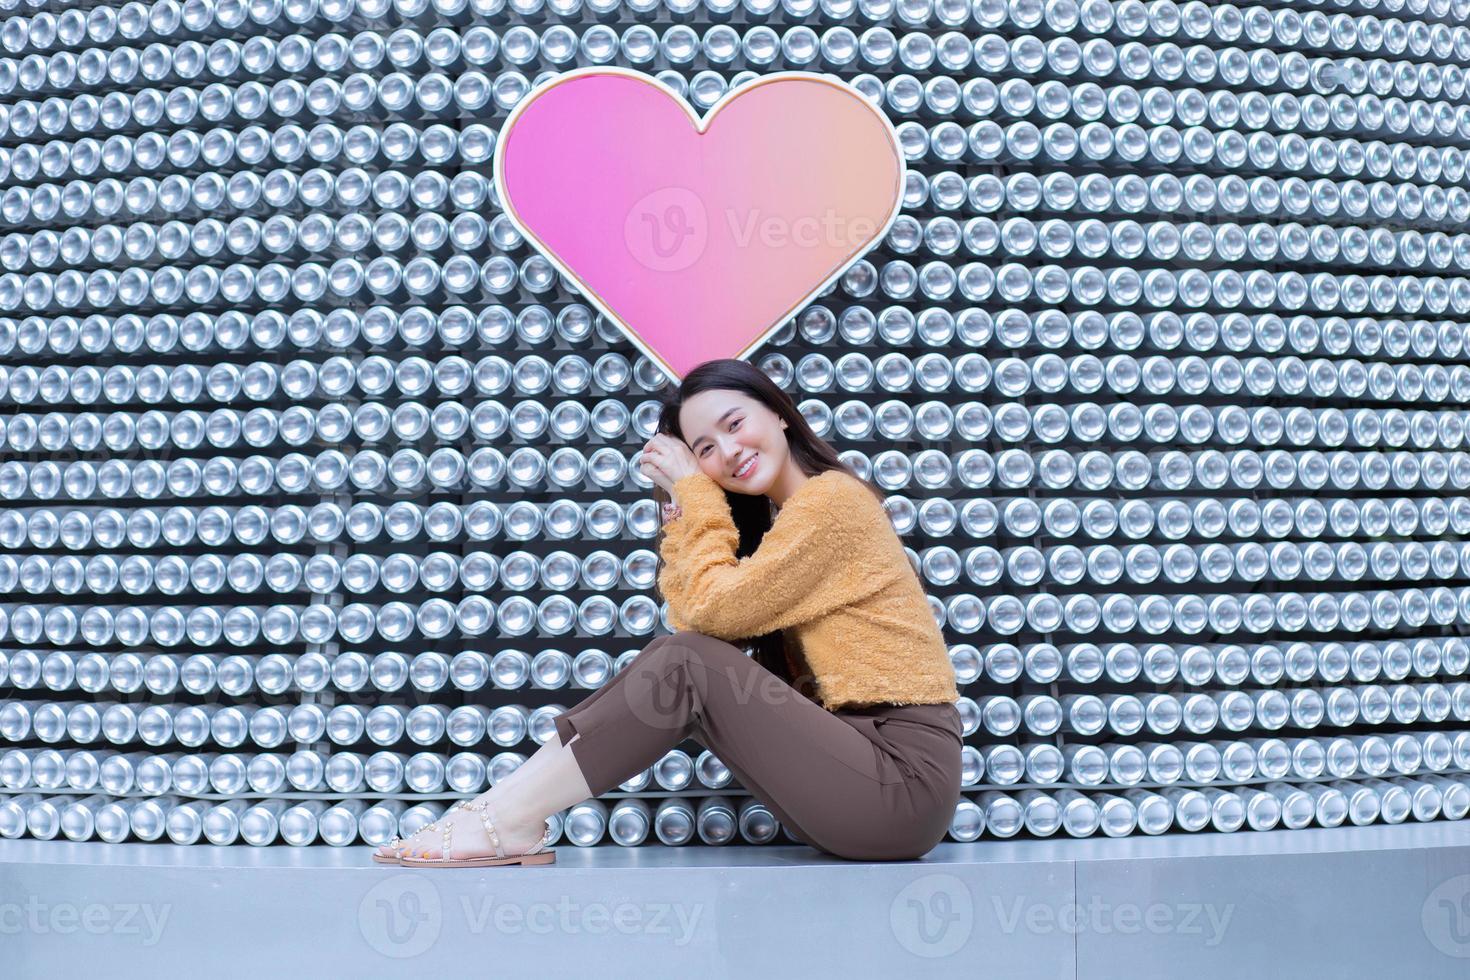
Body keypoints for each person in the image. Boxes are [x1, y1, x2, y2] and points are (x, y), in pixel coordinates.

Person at [373, 358, 962, 867]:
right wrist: (692, 503)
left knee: (687, 663)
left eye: (735, 424)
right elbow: (693, 618)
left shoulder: (832, 502)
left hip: (900, 781)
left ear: (779, 412)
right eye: (704, 450)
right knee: (682, 660)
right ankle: (497, 813)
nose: (728, 452)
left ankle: (505, 820)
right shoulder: (787, 525)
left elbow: (709, 616)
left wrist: (694, 492)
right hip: (855, 777)